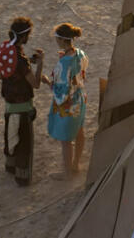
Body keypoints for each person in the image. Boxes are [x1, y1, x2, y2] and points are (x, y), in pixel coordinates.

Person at [0, 17, 44, 186]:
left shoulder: (4, 50)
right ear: (24, 36)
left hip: (9, 105)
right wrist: (39, 64)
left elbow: (1, 74)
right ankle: (22, 177)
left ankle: (10, 166)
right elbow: (36, 84)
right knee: (25, 143)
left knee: (9, 136)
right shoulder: (22, 60)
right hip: (23, 107)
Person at [45, 23, 87, 176]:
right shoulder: (80, 54)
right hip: (80, 98)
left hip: (69, 103)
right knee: (79, 130)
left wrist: (48, 82)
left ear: (62, 40)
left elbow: (61, 91)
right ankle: (76, 164)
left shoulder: (64, 62)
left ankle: (67, 172)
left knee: (66, 139)